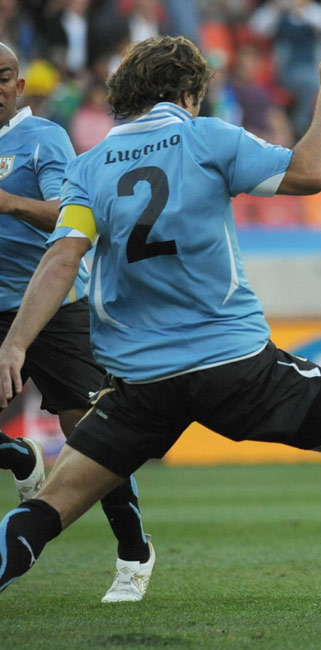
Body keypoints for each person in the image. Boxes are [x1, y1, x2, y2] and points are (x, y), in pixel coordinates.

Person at [0, 34, 321, 627]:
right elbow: (312, 172)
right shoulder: (207, 138)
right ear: (188, 93)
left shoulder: (89, 166)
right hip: (233, 366)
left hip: (141, 383)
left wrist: (16, 343)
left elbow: (61, 259)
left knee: (51, 505)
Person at [0, 41, 155, 603]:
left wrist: (7, 202)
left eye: (3, 77)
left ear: (19, 86)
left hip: (54, 307)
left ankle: (134, 552)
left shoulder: (42, 138)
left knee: (91, 438)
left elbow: (67, 215)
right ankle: (18, 455)